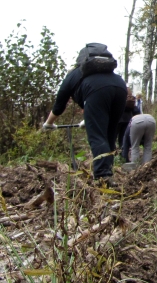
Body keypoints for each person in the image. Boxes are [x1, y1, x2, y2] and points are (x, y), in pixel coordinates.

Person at [43, 44, 127, 184]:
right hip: (120, 87)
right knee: (109, 135)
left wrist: (48, 123)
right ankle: (108, 172)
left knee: (97, 136)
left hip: (98, 91)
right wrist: (87, 120)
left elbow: (59, 105)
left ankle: (103, 177)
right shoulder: (106, 72)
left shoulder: (74, 74)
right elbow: (98, 110)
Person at [116, 87, 140, 159]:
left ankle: (112, 155)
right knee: (123, 138)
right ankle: (123, 156)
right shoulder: (130, 97)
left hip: (118, 119)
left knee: (112, 138)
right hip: (128, 120)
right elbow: (136, 110)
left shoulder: (117, 95)